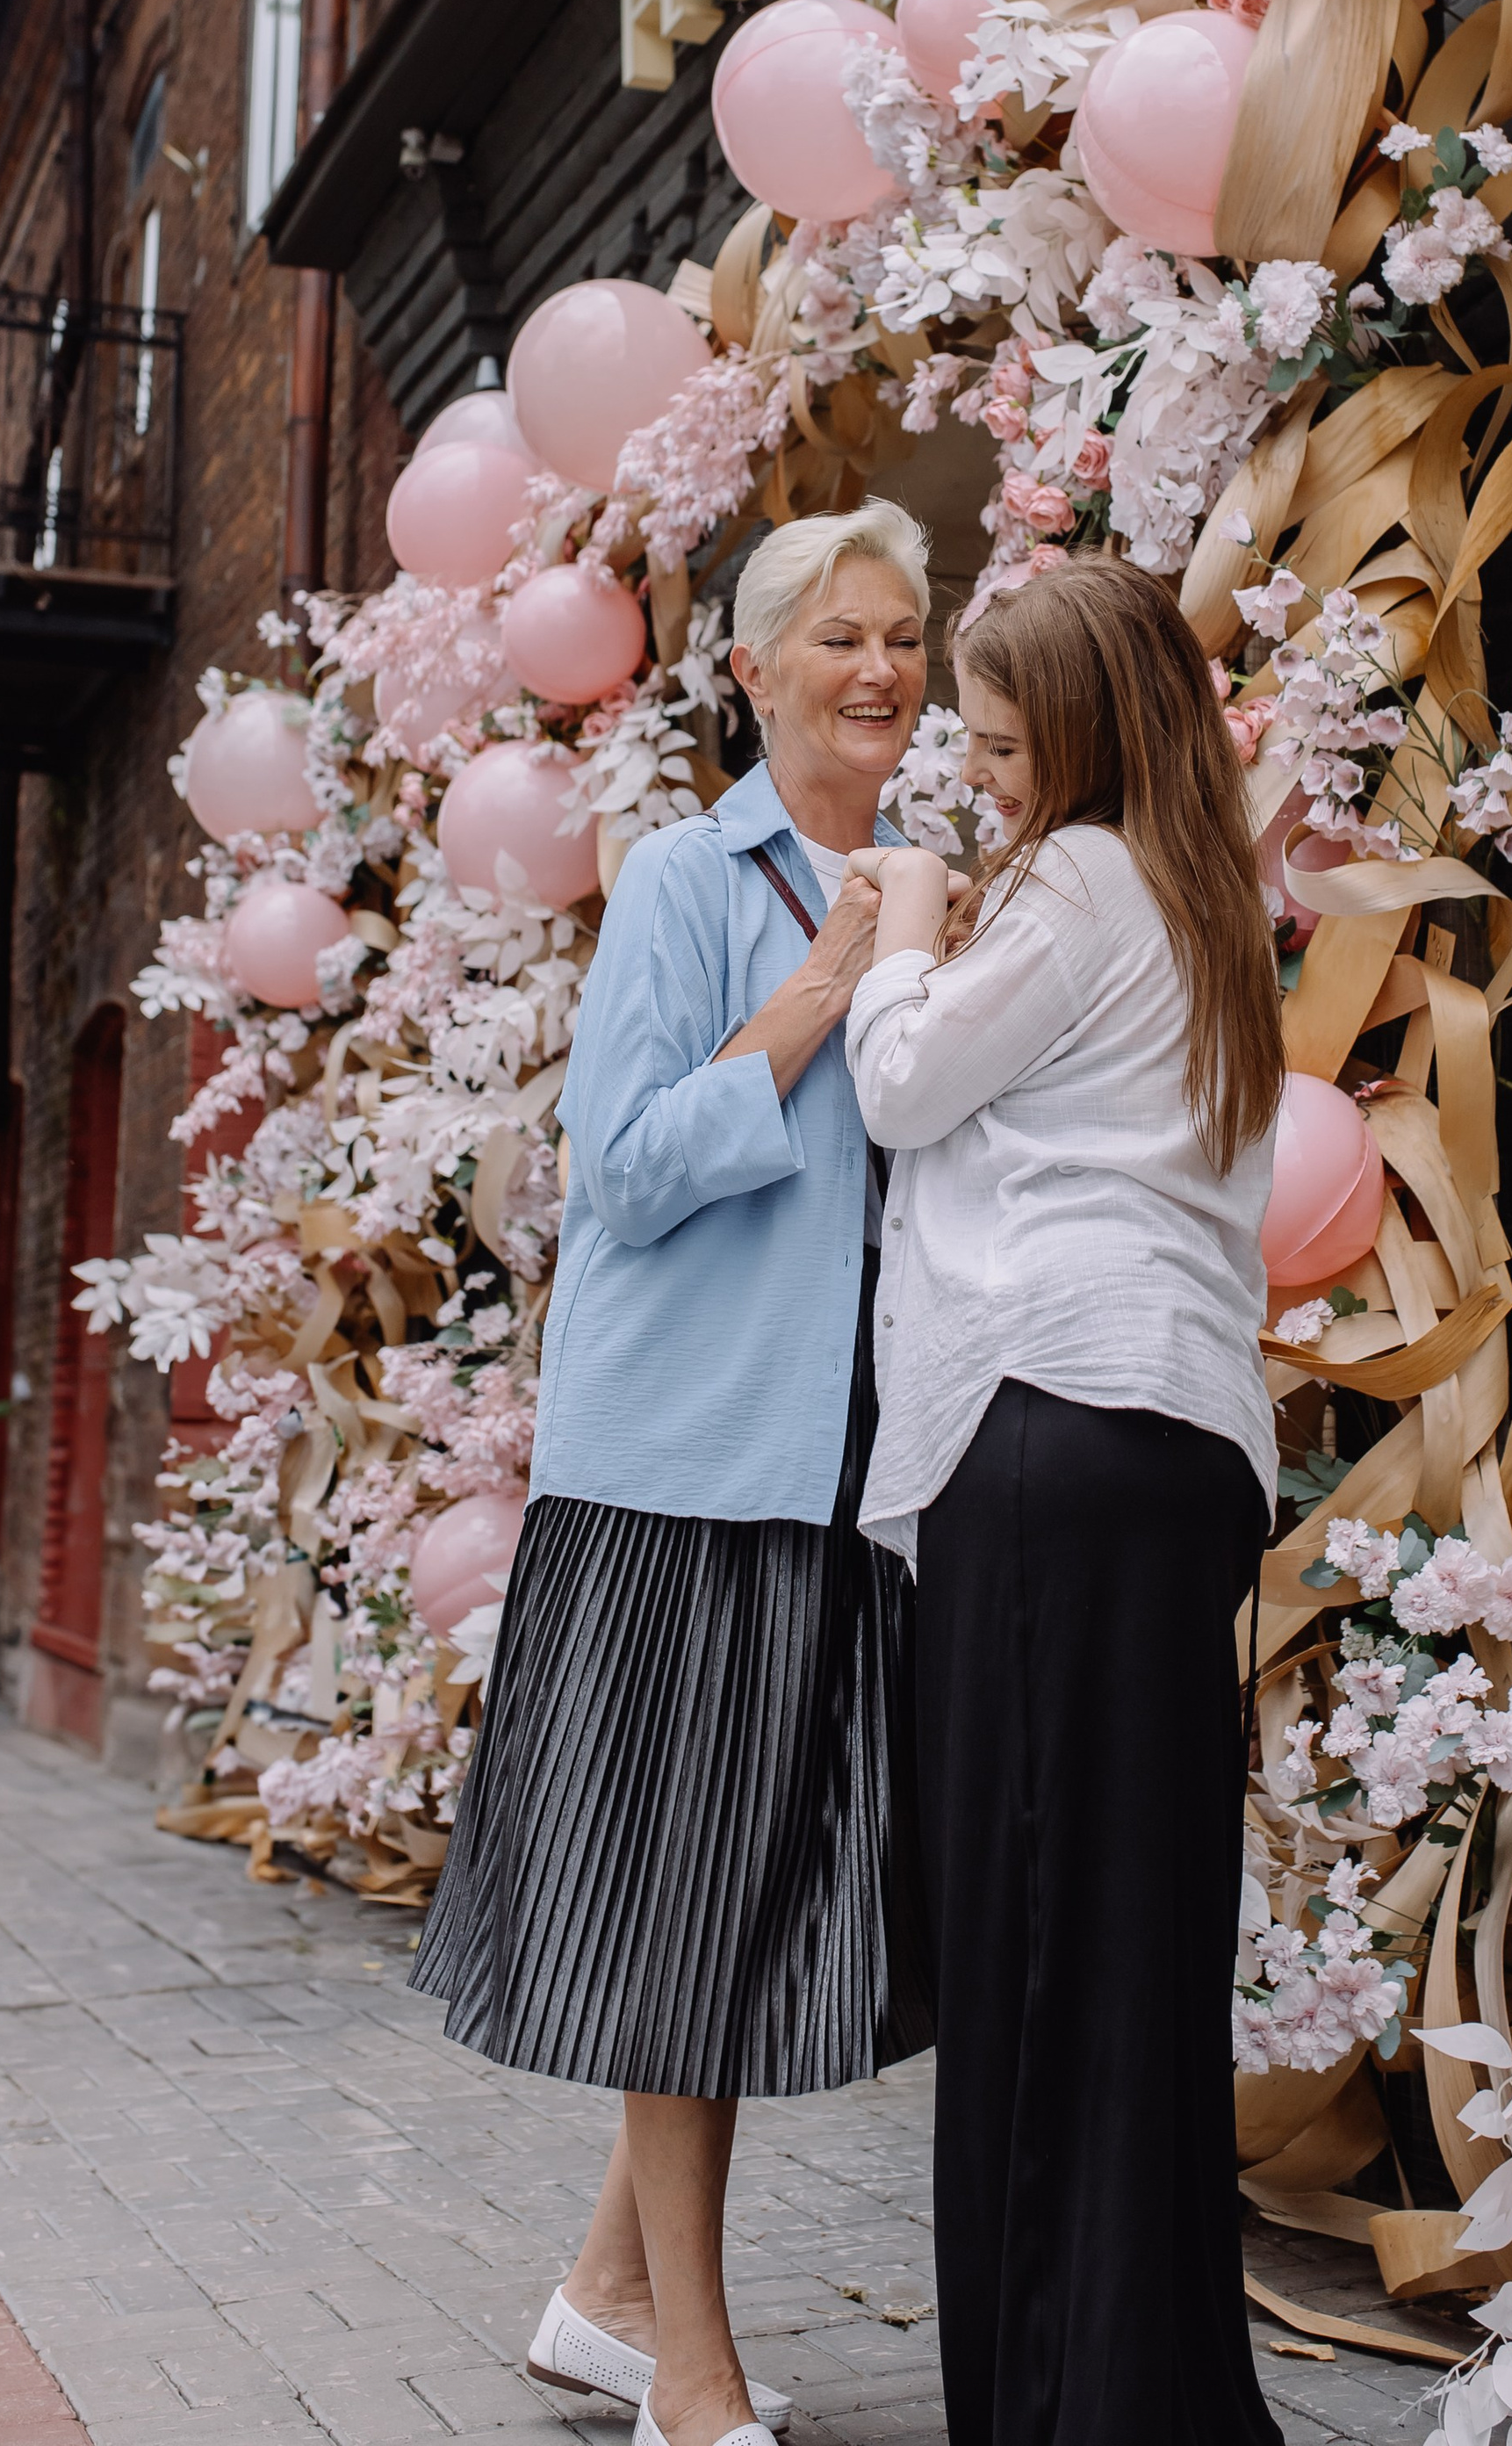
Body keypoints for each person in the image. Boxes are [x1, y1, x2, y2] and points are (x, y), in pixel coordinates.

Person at [412, 500, 939, 2446]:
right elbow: (619, 1174)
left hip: (843, 1478)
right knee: (684, 1917)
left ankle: (606, 2299)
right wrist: (815, 998)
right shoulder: (688, 889)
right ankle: (690, 2384)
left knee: (752, 1892)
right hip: (679, 1478)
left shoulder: (915, 877)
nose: (880, 671)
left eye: (901, 637)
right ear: (751, 671)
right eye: (839, 640)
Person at [844, 553, 1286, 2446]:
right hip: (1173, 1446)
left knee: (1029, 1943)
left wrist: (905, 925)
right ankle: (1151, 2396)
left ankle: (1049, 2410)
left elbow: (902, 1085)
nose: (981, 775)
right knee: (1140, 1942)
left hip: (1045, 1429)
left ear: (1088, 741)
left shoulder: (1081, 878)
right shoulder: (1205, 899)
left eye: (1007, 746)